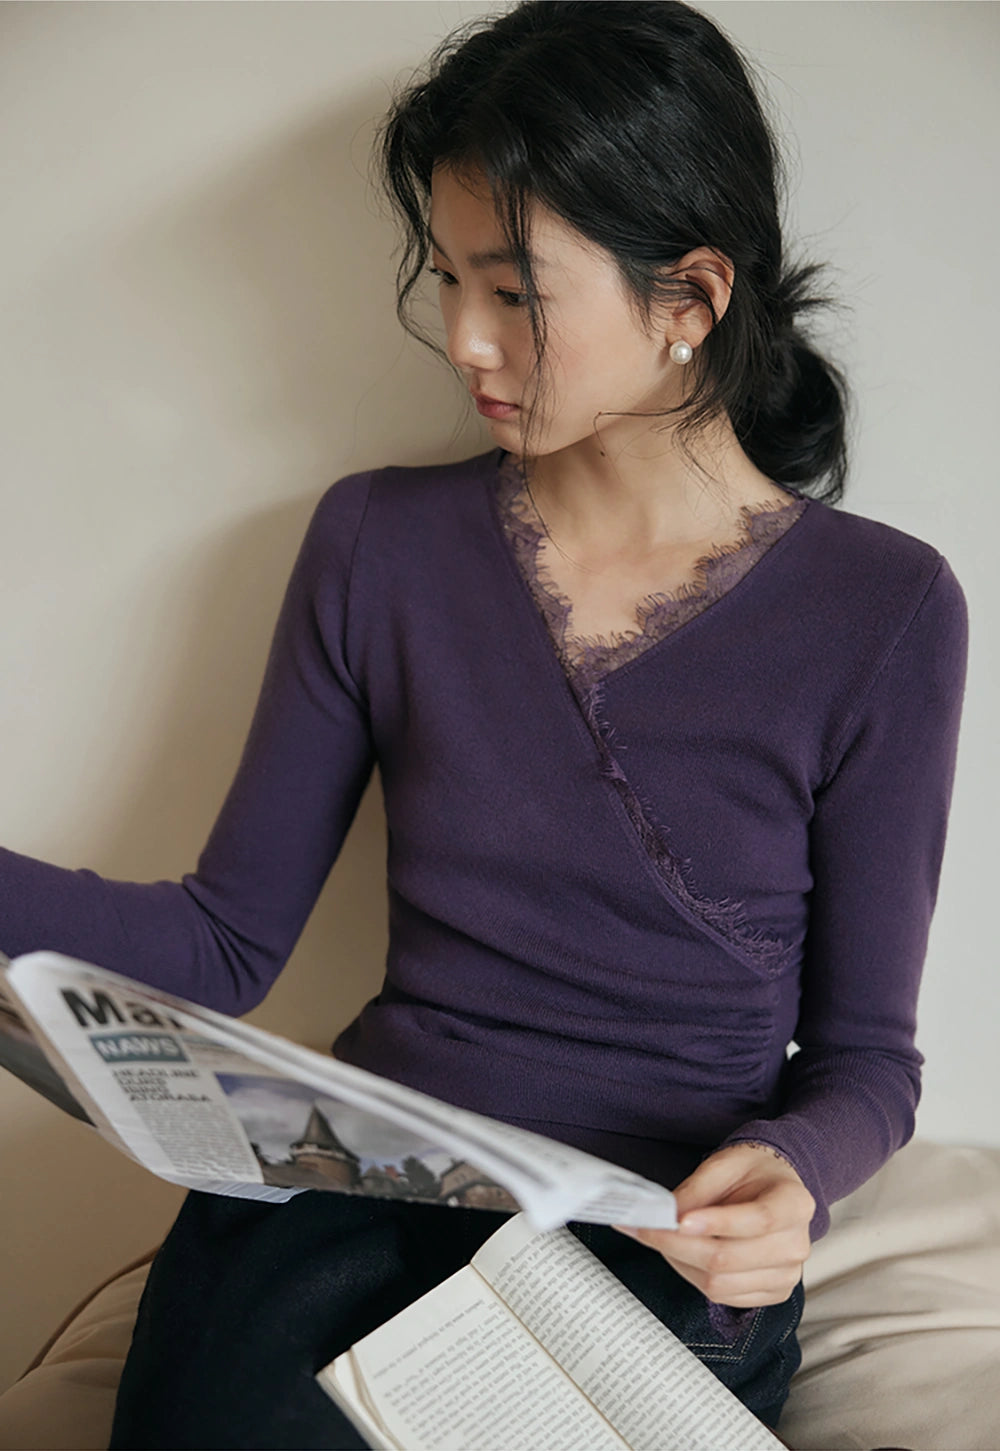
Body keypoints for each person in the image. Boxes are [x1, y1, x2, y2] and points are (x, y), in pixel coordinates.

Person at [0, 2, 967, 1446]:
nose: (462, 338)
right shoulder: (377, 544)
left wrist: (792, 1173)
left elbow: (868, 1062)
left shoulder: (884, 608)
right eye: (448, 279)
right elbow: (222, 939)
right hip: (348, 1210)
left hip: (644, 1247)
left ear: (691, 296)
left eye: (513, 293)